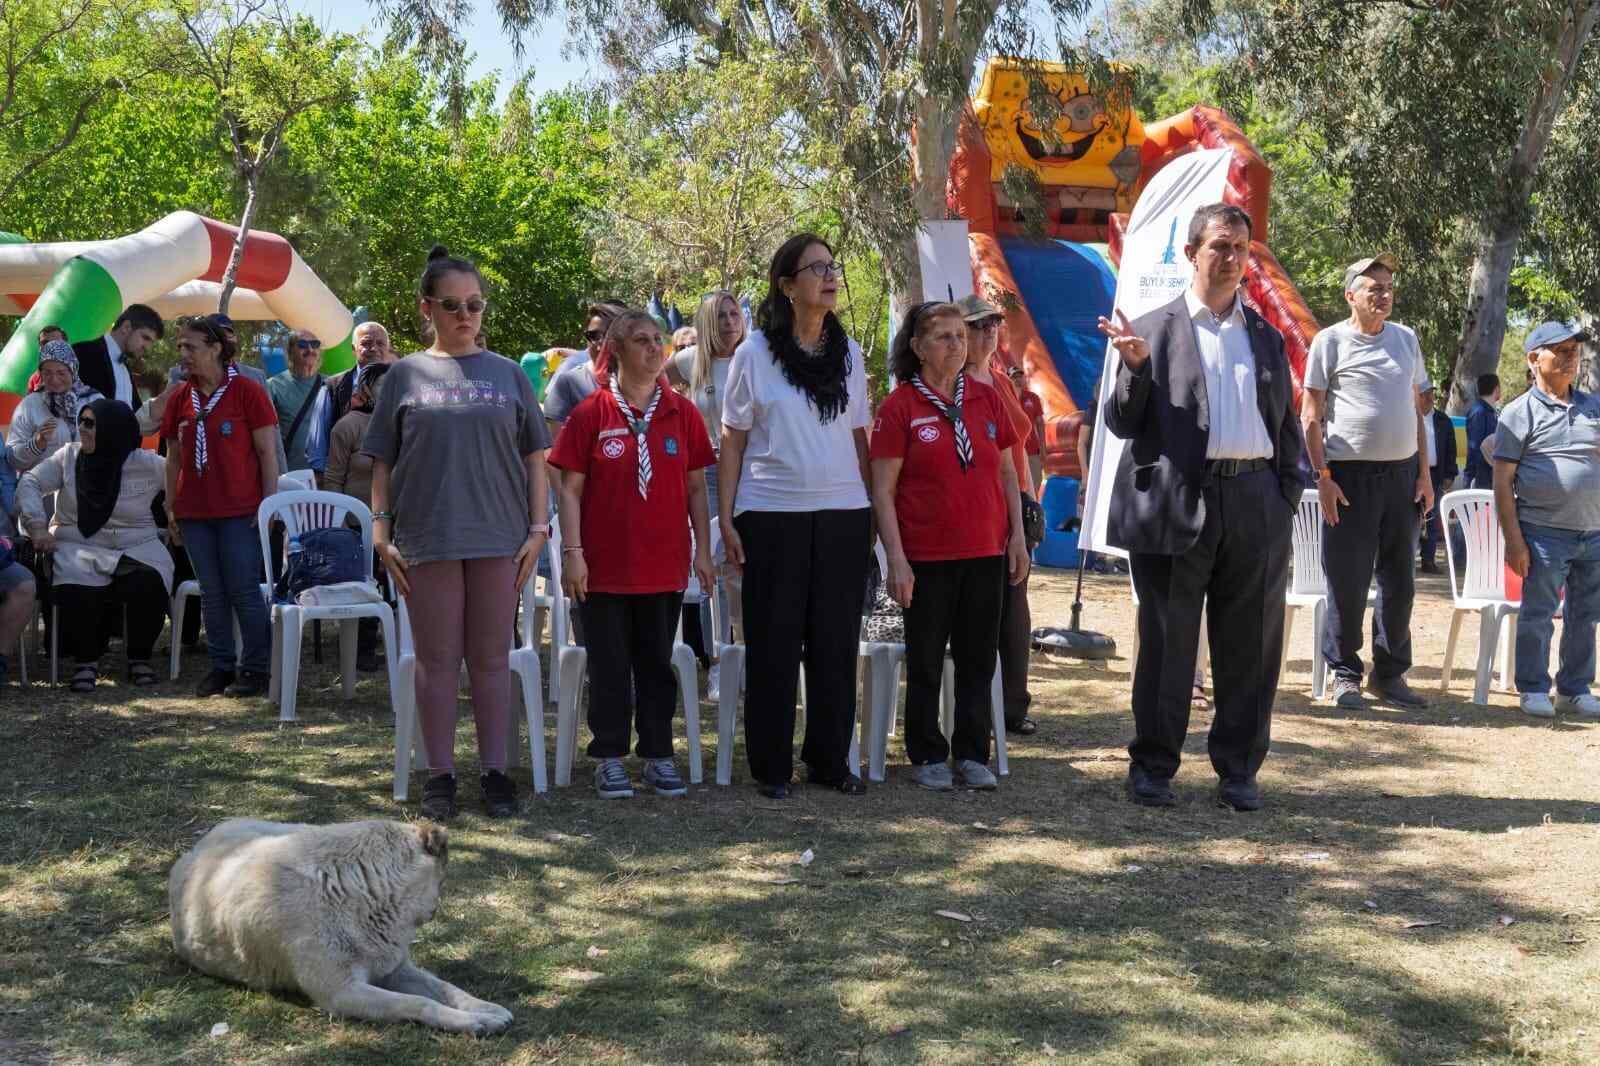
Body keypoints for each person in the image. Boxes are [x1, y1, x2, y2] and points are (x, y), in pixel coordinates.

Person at [1097, 203, 1304, 812]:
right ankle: (1154, 767)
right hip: (1176, 502)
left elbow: (1284, 422)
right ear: (1191, 253)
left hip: (1255, 500)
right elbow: (1121, 421)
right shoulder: (1152, 329)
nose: (1232, 258)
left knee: (1249, 646)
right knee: (1167, 641)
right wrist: (1134, 370)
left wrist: (1283, 492)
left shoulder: (1265, 335)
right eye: (1220, 246)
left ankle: (1238, 770)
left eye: (1241, 248)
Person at [363, 245, 551, 820]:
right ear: (428, 308)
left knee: (493, 660)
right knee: (437, 660)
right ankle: (439, 776)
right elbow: (383, 463)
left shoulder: (510, 375)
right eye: (452, 305)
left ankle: (496, 772)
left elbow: (536, 457)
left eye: (474, 304)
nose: (465, 315)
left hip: (500, 538)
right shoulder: (403, 376)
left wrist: (539, 528)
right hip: (428, 539)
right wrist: (379, 530)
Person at [721, 233, 873, 799]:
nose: (829, 276)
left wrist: (872, 513)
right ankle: (771, 768)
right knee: (775, 642)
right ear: (787, 286)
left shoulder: (850, 353)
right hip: (772, 513)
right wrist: (728, 518)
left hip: (843, 513)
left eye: (832, 266)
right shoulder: (753, 353)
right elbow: (732, 441)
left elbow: (860, 435)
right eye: (816, 268)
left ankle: (830, 761)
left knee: (835, 643)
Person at [550, 310, 716, 798]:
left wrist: (703, 551)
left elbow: (696, 489)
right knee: (609, 667)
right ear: (616, 350)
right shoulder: (591, 414)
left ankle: (659, 753)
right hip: (603, 569)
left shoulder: (681, 413)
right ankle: (608, 755)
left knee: (656, 665)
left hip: (663, 566)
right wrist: (573, 552)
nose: (653, 349)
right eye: (641, 340)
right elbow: (570, 491)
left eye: (657, 340)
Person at [871, 302, 1029, 791]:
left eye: (960, 336)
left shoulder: (985, 399)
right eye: (943, 337)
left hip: (985, 548)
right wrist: (895, 557)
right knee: (925, 659)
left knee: (979, 657)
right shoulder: (900, 407)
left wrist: (1018, 536)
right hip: (926, 555)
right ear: (917, 347)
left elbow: (1007, 472)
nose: (956, 345)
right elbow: (882, 490)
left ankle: (971, 752)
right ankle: (927, 752)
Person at [1303, 254, 1433, 710]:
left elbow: (1417, 411)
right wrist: (1323, 477)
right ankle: (1344, 674)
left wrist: (1424, 475)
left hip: (1402, 478)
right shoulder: (1329, 342)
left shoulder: (1407, 340)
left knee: (1401, 581)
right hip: (1348, 479)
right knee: (1348, 581)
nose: (1383, 294)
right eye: (1372, 287)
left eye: (1388, 287)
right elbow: (1311, 415)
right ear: (1350, 295)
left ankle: (1391, 674)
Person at [159, 315, 280, 698]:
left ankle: (257, 670)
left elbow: (267, 454)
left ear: (215, 349)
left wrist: (269, 507)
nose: (183, 355)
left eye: (190, 347)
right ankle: (222, 667)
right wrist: (171, 506)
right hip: (195, 511)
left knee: (243, 589)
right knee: (212, 592)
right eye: (180, 347)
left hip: (241, 510)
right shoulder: (181, 396)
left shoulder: (247, 391)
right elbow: (173, 458)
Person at [16, 399, 172, 691]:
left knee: (148, 579)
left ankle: (139, 658)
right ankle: (85, 662)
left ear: (115, 431)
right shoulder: (68, 457)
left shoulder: (146, 462)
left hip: (134, 542)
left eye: (91, 424)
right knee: (78, 580)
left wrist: (175, 510)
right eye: (81, 422)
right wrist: (37, 525)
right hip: (77, 542)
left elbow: (180, 481)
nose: (82, 429)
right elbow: (30, 483)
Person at [1492, 321, 1600, 719]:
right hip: (1542, 534)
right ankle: (1534, 687)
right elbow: (1502, 481)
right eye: (1562, 351)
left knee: (1586, 616)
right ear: (1534, 359)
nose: (1572, 357)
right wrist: (1514, 540)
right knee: (1538, 614)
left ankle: (1574, 689)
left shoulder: (1594, 407)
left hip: (1593, 531)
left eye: (1575, 350)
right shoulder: (1518, 413)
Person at [958, 294, 1039, 736]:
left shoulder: (999, 378)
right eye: (977, 324)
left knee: (1015, 611)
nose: (988, 330)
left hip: (1017, 504)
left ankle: (1012, 705)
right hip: (977, 512)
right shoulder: (955, 384)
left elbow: (1017, 443)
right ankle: (978, 710)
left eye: (992, 322)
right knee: (982, 613)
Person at [667, 290, 748, 702]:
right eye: (720, 317)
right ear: (705, 324)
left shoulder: (754, 358)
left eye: (735, 314)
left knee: (744, 569)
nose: (730, 323)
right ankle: (716, 662)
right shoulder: (688, 361)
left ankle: (747, 658)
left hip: (751, 473)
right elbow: (653, 383)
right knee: (711, 570)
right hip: (707, 472)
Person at [324, 362, 392, 672]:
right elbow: (334, 477)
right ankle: (359, 651)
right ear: (365, 389)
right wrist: (337, 521)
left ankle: (397, 644)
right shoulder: (347, 426)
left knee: (393, 587)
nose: (388, 391)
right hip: (355, 523)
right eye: (381, 384)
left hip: (398, 522)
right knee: (363, 585)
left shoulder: (404, 422)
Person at [305, 322, 397, 479]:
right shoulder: (332, 387)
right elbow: (316, 450)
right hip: (346, 487)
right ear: (354, 349)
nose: (374, 348)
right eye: (366, 343)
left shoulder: (402, 385)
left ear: (387, 348)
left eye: (380, 343)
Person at [6, 341, 103, 472]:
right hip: (39, 490)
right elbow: (12, 459)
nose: (54, 379)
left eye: (61, 373)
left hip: (86, 488)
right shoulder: (30, 405)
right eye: (47, 373)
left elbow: (111, 445)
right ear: (40, 373)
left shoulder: (94, 401)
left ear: (73, 370)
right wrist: (37, 444)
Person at [544, 301, 629, 437]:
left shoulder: (646, 382)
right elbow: (552, 449)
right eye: (593, 336)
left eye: (609, 335)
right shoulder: (569, 383)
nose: (601, 345)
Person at [73, 304, 162, 410]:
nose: (147, 347)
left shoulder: (126, 367)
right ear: (126, 327)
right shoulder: (82, 351)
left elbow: (135, 415)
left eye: (151, 342)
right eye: (145, 338)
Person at [267, 329, 325, 473]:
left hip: (324, 475)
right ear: (290, 351)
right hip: (289, 474)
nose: (310, 349)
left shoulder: (332, 385)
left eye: (315, 344)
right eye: (302, 345)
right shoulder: (273, 386)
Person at [1419, 384, 1459, 574]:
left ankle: (1428, 560)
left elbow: (1451, 449)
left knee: (1432, 518)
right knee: (1409, 519)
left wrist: (1450, 474)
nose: (1428, 397)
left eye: (1430, 393)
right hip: (1412, 474)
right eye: (1424, 394)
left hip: (1435, 475)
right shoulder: (1409, 419)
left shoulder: (1443, 420)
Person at [1011, 365, 1047, 495]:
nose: (1017, 380)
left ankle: (1032, 512)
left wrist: (1043, 447)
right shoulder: (1005, 398)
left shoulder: (1033, 398)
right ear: (1008, 380)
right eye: (1013, 377)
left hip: (1032, 450)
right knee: (1016, 486)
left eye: (1020, 376)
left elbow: (1040, 424)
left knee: (1035, 482)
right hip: (1013, 450)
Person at [1464, 373, 1501, 489]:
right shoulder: (1479, 412)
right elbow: (1476, 447)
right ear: (1497, 389)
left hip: (1488, 476)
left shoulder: (1490, 412)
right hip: (1479, 478)